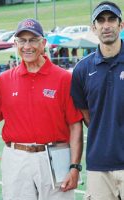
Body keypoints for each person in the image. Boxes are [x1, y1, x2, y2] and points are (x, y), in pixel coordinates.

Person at [0, 18, 83, 200]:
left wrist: (74, 167)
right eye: (22, 41)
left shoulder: (63, 79)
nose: (27, 46)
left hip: (55, 155)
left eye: (32, 40)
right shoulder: (4, 80)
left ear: (43, 43)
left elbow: (75, 126)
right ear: (15, 44)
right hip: (16, 158)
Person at [71, 1, 124, 199]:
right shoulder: (82, 70)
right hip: (99, 165)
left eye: (111, 19)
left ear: (121, 25)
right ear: (94, 28)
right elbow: (86, 116)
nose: (106, 25)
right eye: (100, 21)